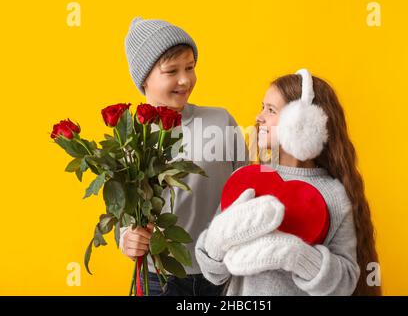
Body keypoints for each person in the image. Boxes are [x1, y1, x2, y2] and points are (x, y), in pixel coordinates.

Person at [195, 69, 381, 295]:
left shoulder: (333, 195)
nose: (258, 117)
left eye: (271, 110)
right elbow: (214, 273)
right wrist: (216, 240)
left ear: (302, 121)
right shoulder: (246, 180)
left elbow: (346, 282)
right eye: (262, 106)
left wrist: (297, 255)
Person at [119, 17, 248, 296]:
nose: (185, 79)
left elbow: (248, 190)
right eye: (171, 71)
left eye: (190, 67)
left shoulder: (220, 121)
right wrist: (127, 239)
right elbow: (124, 211)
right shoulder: (130, 136)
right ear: (144, 78)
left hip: (221, 272)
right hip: (159, 276)